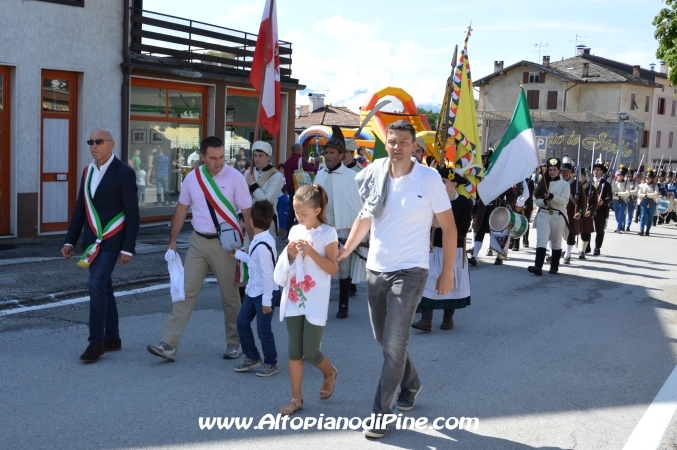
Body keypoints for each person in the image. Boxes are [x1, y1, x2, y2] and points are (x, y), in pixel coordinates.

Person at [338, 120, 457, 439]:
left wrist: (446, 271)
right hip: (377, 269)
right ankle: (412, 382)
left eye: (403, 142)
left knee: (394, 344)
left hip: (411, 270)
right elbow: (365, 217)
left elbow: (449, 227)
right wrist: (346, 250)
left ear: (413, 145)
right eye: (392, 141)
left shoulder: (429, 179)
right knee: (384, 339)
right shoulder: (376, 172)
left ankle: (380, 414)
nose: (396, 146)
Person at [147, 136, 254, 362]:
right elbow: (181, 208)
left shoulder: (236, 178)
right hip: (197, 241)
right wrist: (172, 240)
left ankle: (235, 343)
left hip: (226, 245)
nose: (219, 162)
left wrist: (252, 245)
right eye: (213, 158)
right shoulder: (192, 178)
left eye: (222, 157)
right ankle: (169, 344)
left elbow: (247, 213)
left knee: (230, 297)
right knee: (184, 293)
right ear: (202, 157)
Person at [62, 129, 140, 362]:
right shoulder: (87, 171)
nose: (94, 146)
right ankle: (113, 338)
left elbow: (132, 213)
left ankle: (96, 343)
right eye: (91, 142)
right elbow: (80, 209)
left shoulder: (124, 172)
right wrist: (69, 241)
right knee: (103, 285)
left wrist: (128, 248)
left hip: (113, 239)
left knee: (95, 283)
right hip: (92, 240)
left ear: (111, 145)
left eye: (99, 142)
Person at [273, 185, 339, 416]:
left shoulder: (328, 233)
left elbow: (332, 268)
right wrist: (290, 255)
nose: (298, 217)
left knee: (311, 352)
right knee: (294, 349)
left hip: (316, 299)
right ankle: (296, 398)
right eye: (296, 212)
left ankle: (329, 373)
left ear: (317, 209)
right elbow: (288, 263)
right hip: (294, 296)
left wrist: (311, 252)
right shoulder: (294, 231)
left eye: (303, 213)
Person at [313, 125, 364, 319]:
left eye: (332, 152)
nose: (328, 155)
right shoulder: (321, 173)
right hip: (323, 227)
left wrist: (354, 233)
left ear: (341, 155)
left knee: (343, 269)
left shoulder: (352, 177)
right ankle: (319, 302)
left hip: (343, 228)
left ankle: (344, 304)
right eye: (326, 152)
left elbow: (356, 205)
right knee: (320, 266)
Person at [412, 166, 471, 332]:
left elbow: (462, 229)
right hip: (433, 247)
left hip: (454, 249)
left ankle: (448, 318)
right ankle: (426, 319)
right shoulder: (433, 200)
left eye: (443, 182)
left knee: (451, 281)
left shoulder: (464, 203)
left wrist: (440, 224)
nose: (440, 185)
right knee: (428, 280)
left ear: (453, 184)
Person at [232, 200, 279, 377]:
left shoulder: (261, 245)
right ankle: (252, 356)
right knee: (242, 323)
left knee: (263, 330)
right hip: (254, 291)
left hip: (263, 293)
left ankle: (270, 362)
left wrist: (267, 301)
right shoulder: (262, 240)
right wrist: (239, 254)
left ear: (250, 221)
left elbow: (268, 275)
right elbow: (255, 263)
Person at [528, 157, 569, 276]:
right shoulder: (543, 183)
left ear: (559, 171)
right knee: (541, 240)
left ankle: (554, 266)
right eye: (550, 169)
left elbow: (564, 201)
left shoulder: (564, 185)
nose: (552, 172)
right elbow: (537, 201)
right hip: (544, 214)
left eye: (554, 170)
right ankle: (538, 266)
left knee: (556, 241)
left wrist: (551, 197)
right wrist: (544, 202)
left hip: (558, 215)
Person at [246, 141, 285, 237]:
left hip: (267, 219)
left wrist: (253, 184)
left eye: (260, 156)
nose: (257, 159)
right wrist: (241, 217)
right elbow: (241, 197)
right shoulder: (248, 173)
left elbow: (267, 200)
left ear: (268, 156)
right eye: (255, 155)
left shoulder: (277, 176)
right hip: (249, 217)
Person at [283, 143, 318, 233]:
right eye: (302, 150)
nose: (303, 152)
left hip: (291, 190)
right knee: (303, 212)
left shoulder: (286, 162)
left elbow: (286, 178)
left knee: (291, 212)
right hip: (300, 189)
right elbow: (313, 170)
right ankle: (302, 232)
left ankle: (288, 233)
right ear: (298, 150)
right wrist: (317, 163)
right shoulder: (300, 160)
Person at [559, 157, 587, 264]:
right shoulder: (557, 182)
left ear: (571, 173)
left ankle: (567, 255)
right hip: (559, 211)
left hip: (571, 212)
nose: (565, 173)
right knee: (556, 233)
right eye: (563, 171)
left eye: (567, 171)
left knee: (571, 234)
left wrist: (580, 211)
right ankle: (553, 253)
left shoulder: (577, 185)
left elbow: (583, 201)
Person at [589, 162, 612, 255]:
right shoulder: (589, 182)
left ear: (602, 171)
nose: (595, 172)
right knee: (587, 228)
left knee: (600, 230)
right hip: (589, 209)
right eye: (594, 170)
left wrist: (603, 201)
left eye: (598, 170)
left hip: (600, 210)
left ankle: (597, 247)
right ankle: (586, 245)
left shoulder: (606, 184)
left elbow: (609, 197)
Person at [578, 168, 596, 259]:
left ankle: (582, 251)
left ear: (585, 176)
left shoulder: (591, 188)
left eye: (581, 176)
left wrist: (591, 210)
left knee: (585, 232)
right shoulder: (573, 186)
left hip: (586, 212)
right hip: (575, 212)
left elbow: (594, 202)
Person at [638, 169, 660, 236]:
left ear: (652, 179)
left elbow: (656, 194)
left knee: (650, 217)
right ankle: (641, 229)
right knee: (643, 216)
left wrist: (647, 195)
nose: (648, 179)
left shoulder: (655, 186)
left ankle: (647, 230)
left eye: (649, 178)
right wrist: (644, 195)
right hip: (644, 201)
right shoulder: (642, 185)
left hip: (652, 202)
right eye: (647, 178)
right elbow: (639, 194)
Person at [611, 165, 630, 233]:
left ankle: (618, 228)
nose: (620, 176)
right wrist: (617, 194)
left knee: (620, 214)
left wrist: (618, 194)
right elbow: (612, 193)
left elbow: (627, 194)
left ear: (623, 176)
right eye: (619, 175)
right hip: (616, 201)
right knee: (616, 215)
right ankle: (619, 225)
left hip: (623, 201)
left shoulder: (626, 184)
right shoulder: (615, 183)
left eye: (621, 175)